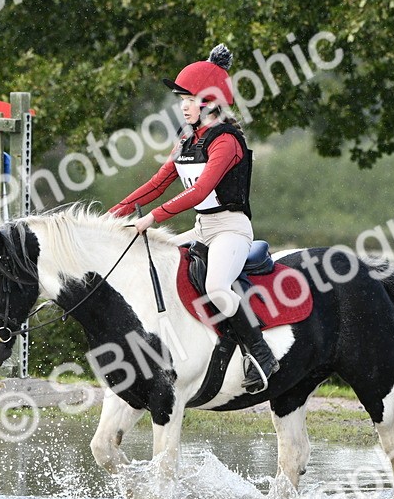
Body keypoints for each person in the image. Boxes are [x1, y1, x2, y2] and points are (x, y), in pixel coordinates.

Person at [107, 45, 279, 394]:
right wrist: (113, 214)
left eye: (189, 98)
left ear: (210, 101)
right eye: (181, 99)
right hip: (201, 229)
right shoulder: (187, 138)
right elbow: (158, 183)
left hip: (230, 230)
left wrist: (151, 218)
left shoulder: (227, 141)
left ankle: (260, 354)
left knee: (216, 286)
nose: (182, 105)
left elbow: (200, 192)